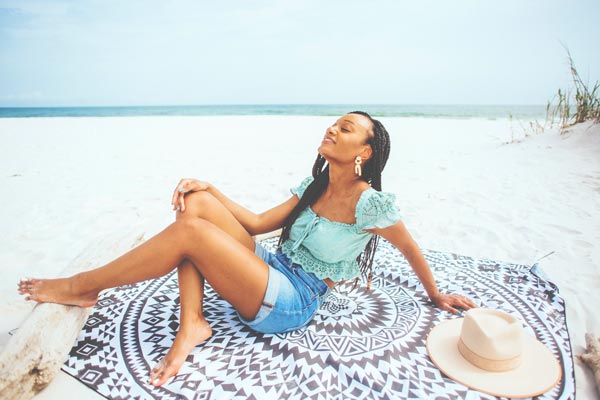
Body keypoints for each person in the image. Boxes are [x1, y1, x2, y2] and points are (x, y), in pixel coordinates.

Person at [17, 111, 477, 387]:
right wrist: (212, 189)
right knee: (196, 205)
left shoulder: (371, 204)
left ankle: (81, 286)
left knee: (191, 235)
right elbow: (257, 224)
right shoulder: (314, 185)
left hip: (293, 302)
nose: (333, 129)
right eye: (334, 122)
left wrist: (435, 294)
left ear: (367, 151)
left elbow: (411, 248)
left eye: (346, 127)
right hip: (269, 268)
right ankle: (194, 322)